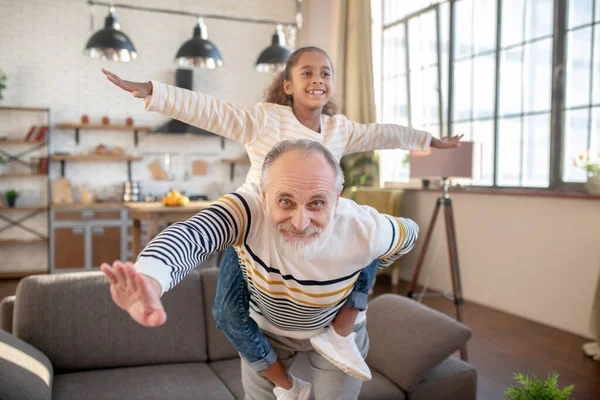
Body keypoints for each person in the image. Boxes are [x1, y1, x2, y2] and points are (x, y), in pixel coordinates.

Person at [101, 45, 461, 390]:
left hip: (322, 225)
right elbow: (209, 110)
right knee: (226, 309)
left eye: (325, 72)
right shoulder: (265, 119)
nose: (317, 78)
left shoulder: (339, 129)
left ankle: (341, 330)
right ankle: (285, 384)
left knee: (367, 244)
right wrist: (152, 91)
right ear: (288, 85)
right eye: (307, 72)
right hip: (257, 221)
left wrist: (428, 139)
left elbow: (384, 133)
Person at [101, 139, 420, 400]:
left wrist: (355, 297)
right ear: (264, 196)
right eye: (285, 202)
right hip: (268, 331)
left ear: (337, 199)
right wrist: (151, 277)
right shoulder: (246, 209)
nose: (300, 221)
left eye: (317, 203)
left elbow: (410, 234)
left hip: (335, 331)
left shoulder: (364, 227)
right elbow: (194, 235)